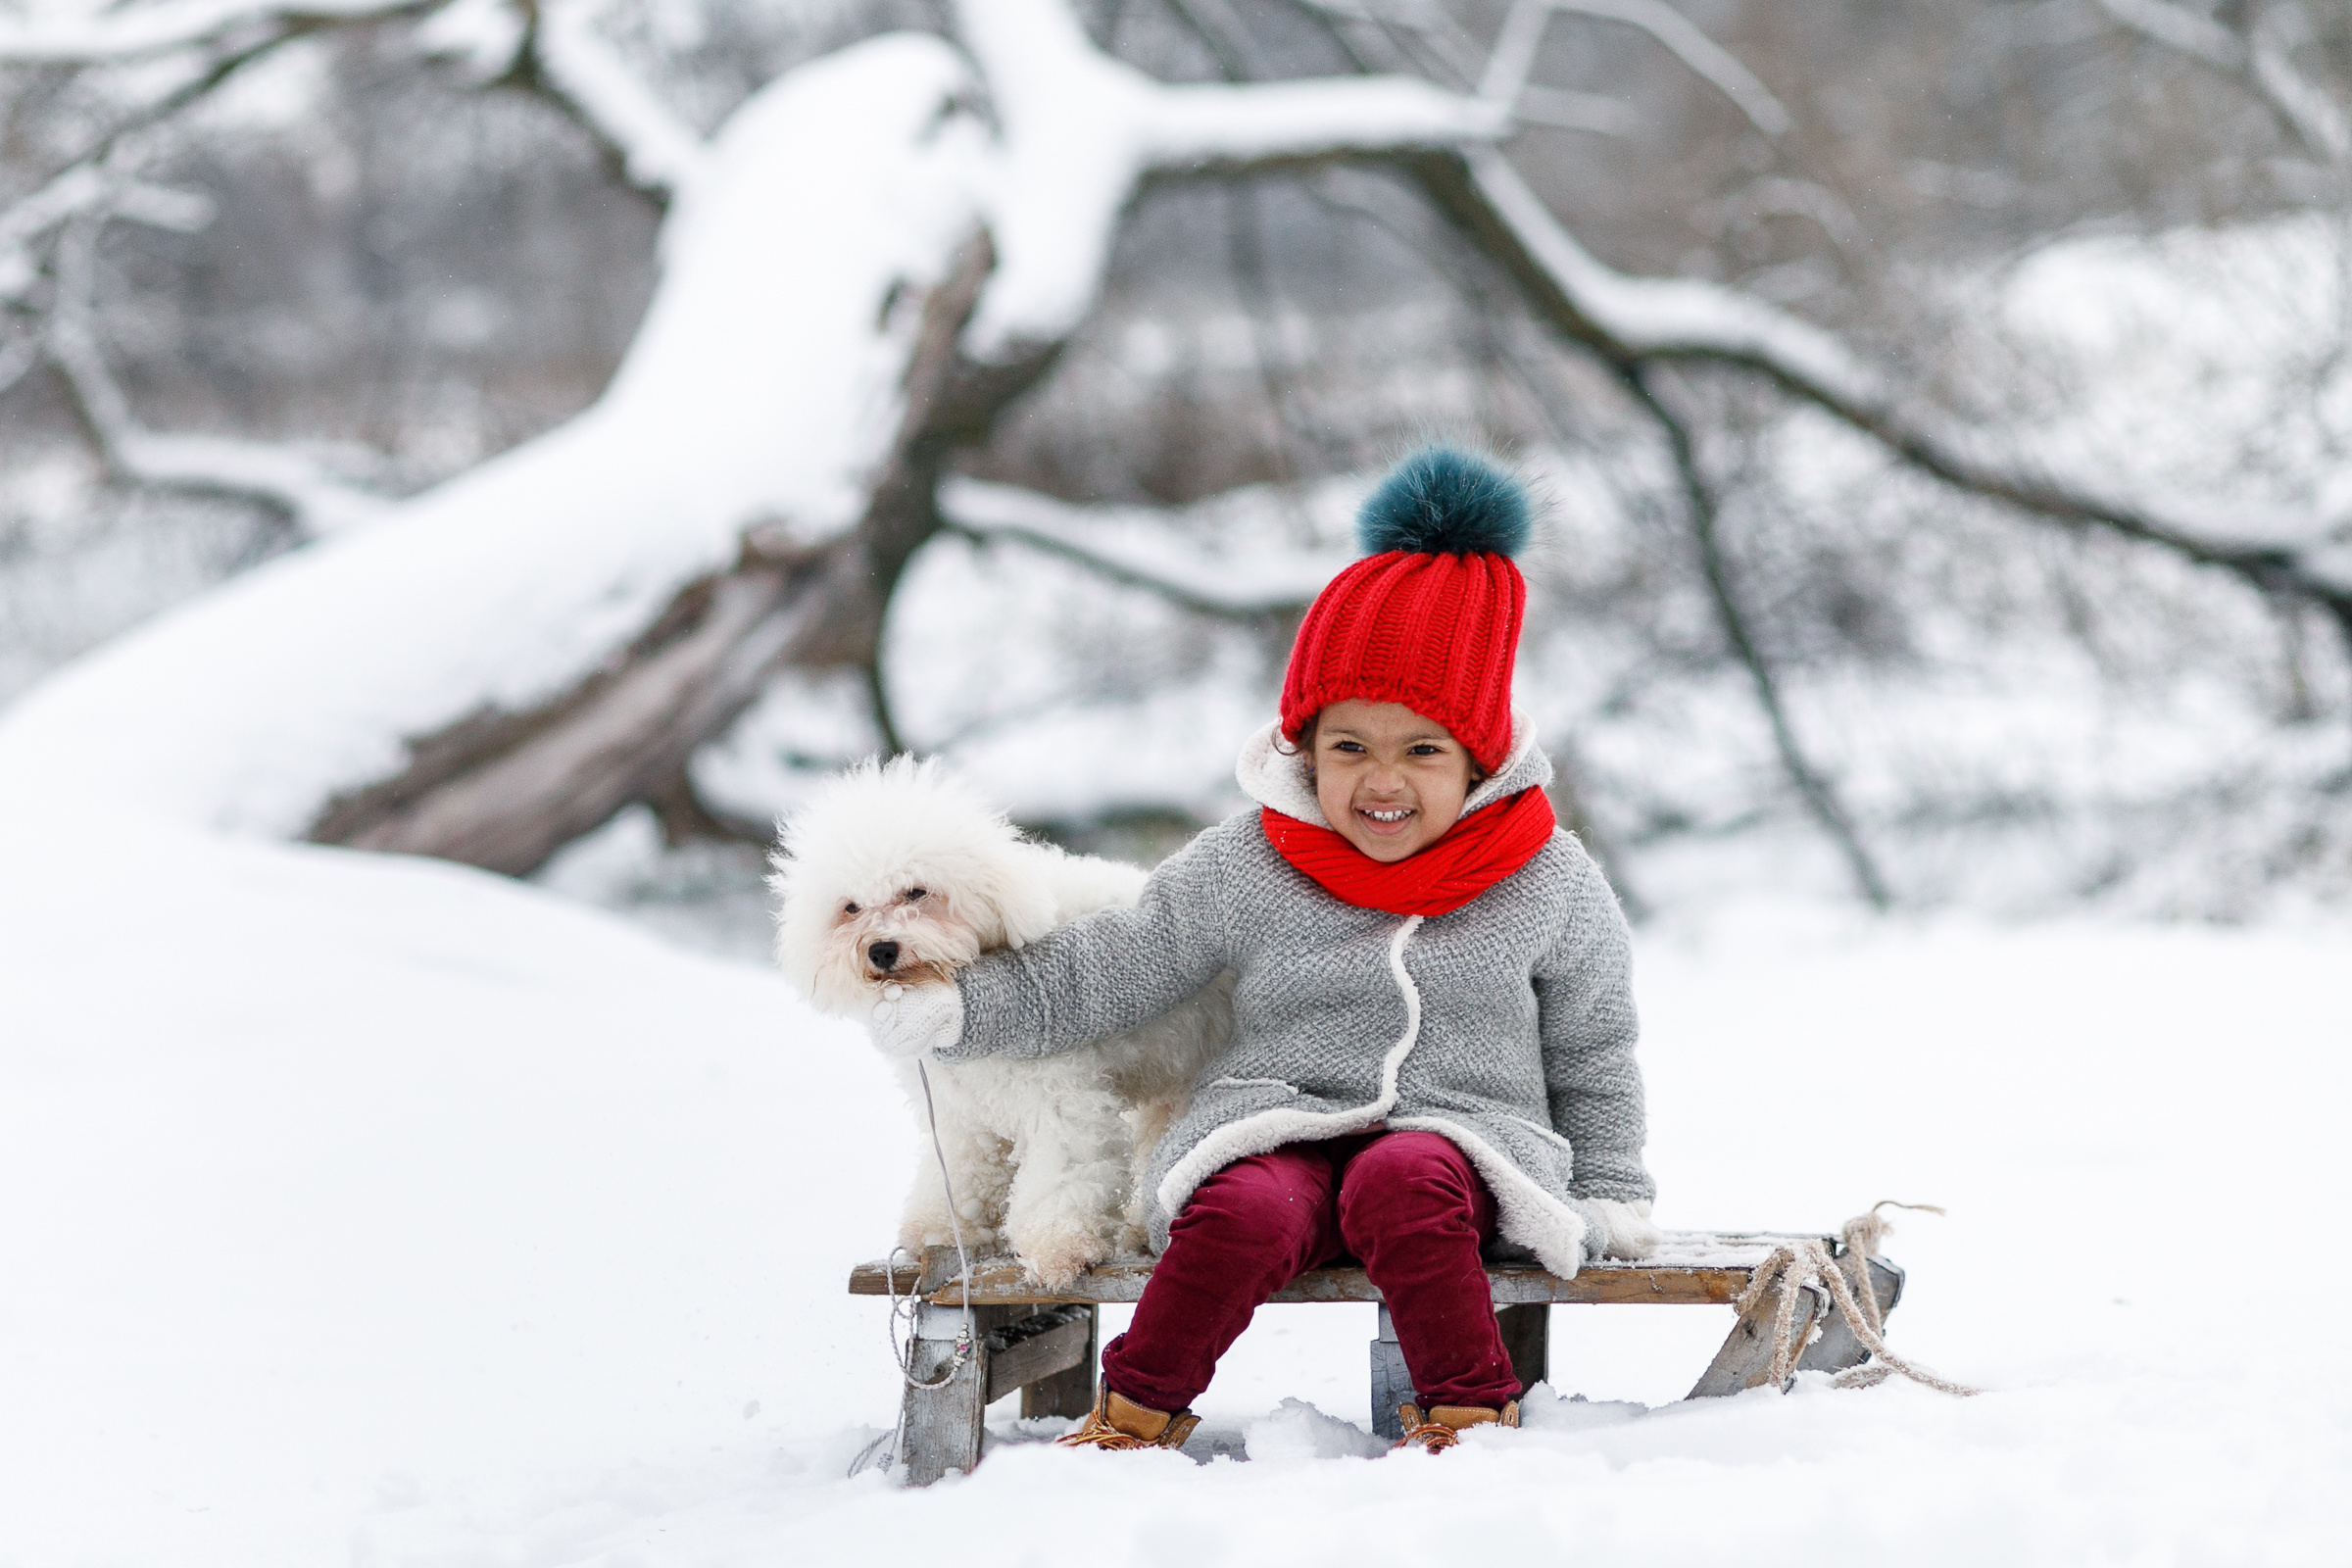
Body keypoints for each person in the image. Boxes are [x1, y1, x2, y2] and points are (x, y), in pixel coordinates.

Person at [868, 446, 1657, 1453]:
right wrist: (969, 1006)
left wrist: (1613, 1190)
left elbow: (1593, 1046)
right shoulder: (1255, 860)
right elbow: (1117, 962)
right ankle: (1135, 1411)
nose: (1383, 781)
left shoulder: (1544, 874)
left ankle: (1467, 1410)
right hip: (1275, 1124)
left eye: (1423, 751)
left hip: (1466, 1142)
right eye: (1349, 748)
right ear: (1305, 747)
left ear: (1481, 759)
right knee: (1238, 1203)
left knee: (1402, 1180)